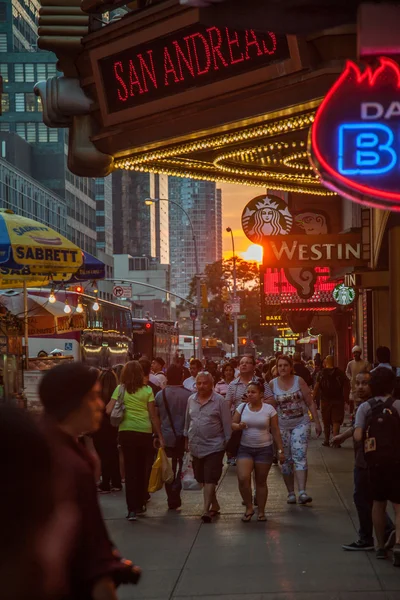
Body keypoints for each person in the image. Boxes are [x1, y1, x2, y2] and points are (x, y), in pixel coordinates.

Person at [39, 362, 141, 600]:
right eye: (94, 396)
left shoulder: (56, 447)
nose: (99, 404)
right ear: (72, 402)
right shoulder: (67, 464)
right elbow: (88, 543)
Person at [332, 371, 395, 551]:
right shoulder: (372, 406)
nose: (360, 387)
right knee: (373, 498)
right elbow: (356, 427)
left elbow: (358, 432)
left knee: (365, 498)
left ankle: (372, 536)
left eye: (364, 383)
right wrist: (343, 436)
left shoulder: (368, 406)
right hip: (378, 458)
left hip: (367, 459)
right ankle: (385, 532)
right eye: (357, 383)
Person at [354, 367, 400, 564]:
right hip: (397, 462)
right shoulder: (398, 405)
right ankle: (398, 544)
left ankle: (380, 546)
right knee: (398, 506)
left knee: (378, 504)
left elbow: (357, 436)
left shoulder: (365, 407)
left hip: (374, 464)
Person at [109, 361, 164, 521]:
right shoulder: (147, 390)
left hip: (126, 432)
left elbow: (108, 409)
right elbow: (153, 415)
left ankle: (131, 509)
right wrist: (159, 435)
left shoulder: (120, 389)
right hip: (144, 433)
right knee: (142, 470)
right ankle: (140, 504)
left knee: (130, 470)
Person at [269, 354, 322, 504]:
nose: (283, 368)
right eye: (280, 366)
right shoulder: (272, 384)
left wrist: (317, 422)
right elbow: (271, 408)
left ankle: (302, 492)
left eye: (285, 365)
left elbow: (310, 402)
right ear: (276, 368)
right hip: (282, 426)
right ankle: (290, 492)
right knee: (285, 459)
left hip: (301, 423)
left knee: (299, 455)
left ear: (291, 367)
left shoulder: (299, 381)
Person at [232, 380, 285, 522]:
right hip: (245, 448)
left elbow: (275, 430)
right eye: (248, 392)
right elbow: (232, 424)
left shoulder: (269, 410)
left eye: (253, 392)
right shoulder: (242, 407)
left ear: (261, 394)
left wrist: (280, 450)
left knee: (261, 481)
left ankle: (261, 510)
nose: (250, 394)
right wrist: (239, 426)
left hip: (264, 449)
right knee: (243, 478)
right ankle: (249, 507)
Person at [184, 371, 232, 522]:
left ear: (212, 384)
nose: (202, 386)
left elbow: (227, 425)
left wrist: (226, 445)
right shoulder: (191, 399)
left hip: (215, 446)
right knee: (201, 478)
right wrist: (186, 440)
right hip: (196, 446)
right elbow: (187, 421)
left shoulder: (220, 401)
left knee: (210, 478)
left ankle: (205, 510)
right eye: (199, 383)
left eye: (205, 383)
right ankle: (215, 504)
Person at [154, 364, 191, 509]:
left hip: (167, 437)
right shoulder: (189, 395)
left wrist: (157, 435)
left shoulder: (160, 395)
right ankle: (177, 487)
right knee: (182, 467)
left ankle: (171, 495)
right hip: (183, 437)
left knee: (168, 468)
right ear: (182, 376)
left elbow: (156, 416)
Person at [93, 369, 122, 493]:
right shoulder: (117, 393)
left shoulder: (97, 395)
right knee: (113, 453)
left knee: (103, 455)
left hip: (100, 427)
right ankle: (116, 482)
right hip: (115, 426)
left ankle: (105, 483)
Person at [313, 355, 348, 447]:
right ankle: (335, 440)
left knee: (326, 421)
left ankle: (327, 440)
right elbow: (346, 385)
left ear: (326, 362)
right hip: (338, 399)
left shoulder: (321, 373)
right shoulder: (340, 372)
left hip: (325, 400)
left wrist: (312, 397)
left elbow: (316, 387)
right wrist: (346, 398)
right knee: (336, 420)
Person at [346, 346, 370, 418]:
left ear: (360, 353)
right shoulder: (350, 363)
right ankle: (354, 417)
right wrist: (350, 378)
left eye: (357, 353)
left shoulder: (365, 363)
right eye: (354, 353)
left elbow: (369, 373)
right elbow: (347, 372)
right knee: (354, 403)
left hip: (363, 387)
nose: (355, 354)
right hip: (354, 387)